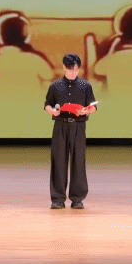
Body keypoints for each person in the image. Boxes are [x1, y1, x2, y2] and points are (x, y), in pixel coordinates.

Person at [44, 53, 97, 209]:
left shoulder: (85, 86)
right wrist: (51, 110)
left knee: (78, 161)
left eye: (75, 69)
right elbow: (47, 104)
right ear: (64, 67)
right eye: (70, 69)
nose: (73, 72)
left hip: (78, 126)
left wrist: (87, 110)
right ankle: (57, 198)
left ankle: (77, 198)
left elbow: (93, 107)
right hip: (60, 125)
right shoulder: (55, 86)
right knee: (58, 160)